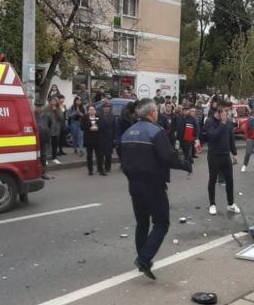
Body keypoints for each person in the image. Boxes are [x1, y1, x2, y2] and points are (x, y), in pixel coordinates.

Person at [121, 98, 193, 280]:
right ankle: (144, 259)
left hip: (134, 185)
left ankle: (142, 258)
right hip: (153, 185)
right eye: (157, 111)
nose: (158, 113)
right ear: (152, 112)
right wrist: (186, 165)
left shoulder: (127, 133)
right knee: (161, 223)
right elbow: (169, 157)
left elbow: (123, 160)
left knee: (142, 223)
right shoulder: (155, 131)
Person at [205, 102, 240, 215]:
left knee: (229, 180)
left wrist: (234, 154)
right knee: (213, 179)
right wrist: (222, 124)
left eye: (227, 111)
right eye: (225, 111)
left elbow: (231, 139)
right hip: (214, 155)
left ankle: (230, 204)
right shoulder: (210, 122)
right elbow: (212, 136)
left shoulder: (228, 122)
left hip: (225, 155)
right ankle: (212, 204)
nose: (227, 113)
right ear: (219, 111)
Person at [96, 100, 118, 175]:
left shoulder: (113, 116)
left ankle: (107, 167)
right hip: (100, 136)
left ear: (110, 108)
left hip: (109, 137)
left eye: (108, 107)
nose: (106, 108)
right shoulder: (98, 115)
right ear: (102, 108)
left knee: (108, 153)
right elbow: (96, 124)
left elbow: (115, 128)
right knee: (100, 153)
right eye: (105, 107)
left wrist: (115, 138)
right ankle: (99, 167)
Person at [81, 104, 102, 175]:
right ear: (88, 111)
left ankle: (100, 169)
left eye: (93, 110)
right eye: (90, 110)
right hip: (89, 139)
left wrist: (98, 128)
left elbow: (102, 125)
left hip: (97, 138)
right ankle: (90, 170)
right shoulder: (84, 117)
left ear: (95, 110)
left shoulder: (99, 117)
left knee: (99, 155)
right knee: (89, 155)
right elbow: (82, 127)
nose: (92, 111)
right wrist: (89, 128)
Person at [36, 103, 54, 178]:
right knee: (37, 156)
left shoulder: (47, 116)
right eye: (38, 107)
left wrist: (46, 131)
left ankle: (43, 173)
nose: (39, 108)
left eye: (41, 107)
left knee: (44, 155)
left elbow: (50, 124)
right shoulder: (33, 115)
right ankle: (36, 173)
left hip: (45, 138)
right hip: (36, 138)